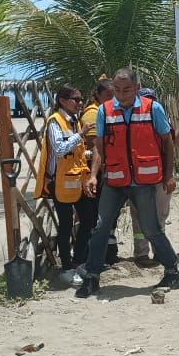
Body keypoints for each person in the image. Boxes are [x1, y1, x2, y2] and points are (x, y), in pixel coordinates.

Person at [76, 68, 179, 297]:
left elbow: (168, 142)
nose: (121, 94)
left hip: (143, 180)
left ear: (136, 88)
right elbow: (99, 146)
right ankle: (92, 276)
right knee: (100, 228)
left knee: (151, 229)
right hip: (115, 180)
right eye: (117, 89)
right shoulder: (105, 111)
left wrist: (169, 174)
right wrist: (94, 175)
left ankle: (173, 270)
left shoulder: (152, 108)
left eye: (127, 89)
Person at [34, 85, 96, 285]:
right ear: (62, 100)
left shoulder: (74, 121)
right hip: (60, 183)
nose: (79, 103)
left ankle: (79, 261)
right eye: (75, 99)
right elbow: (60, 149)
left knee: (88, 220)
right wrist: (81, 134)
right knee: (66, 225)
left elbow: (76, 152)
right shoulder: (55, 122)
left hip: (77, 181)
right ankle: (67, 267)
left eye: (80, 99)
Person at [130, 87, 179, 263]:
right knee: (139, 215)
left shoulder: (160, 119)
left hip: (160, 176)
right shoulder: (131, 123)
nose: (150, 103)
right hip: (138, 178)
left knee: (160, 215)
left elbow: (171, 145)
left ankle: (158, 251)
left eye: (152, 99)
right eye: (147, 100)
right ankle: (141, 253)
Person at [80, 78, 118, 269]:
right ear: (98, 95)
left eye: (114, 95)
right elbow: (96, 146)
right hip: (94, 174)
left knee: (107, 216)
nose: (113, 99)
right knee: (96, 217)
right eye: (108, 96)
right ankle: (95, 257)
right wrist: (96, 174)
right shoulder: (93, 114)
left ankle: (107, 255)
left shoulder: (106, 111)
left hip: (105, 172)